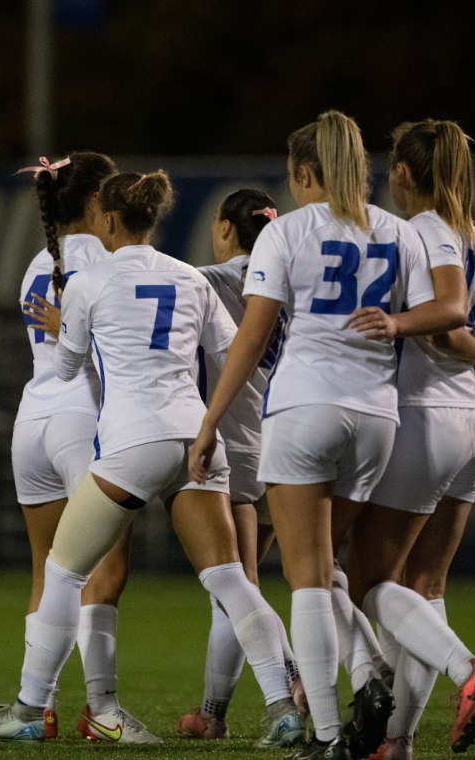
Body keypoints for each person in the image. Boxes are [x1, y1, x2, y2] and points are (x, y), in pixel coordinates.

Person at [0, 170, 300, 744]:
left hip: (131, 442)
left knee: (63, 570)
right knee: (229, 578)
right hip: (196, 438)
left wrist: (71, 324)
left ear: (111, 219)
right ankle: (283, 706)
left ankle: (29, 711)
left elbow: (69, 368)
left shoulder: (90, 282)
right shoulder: (189, 277)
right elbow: (232, 350)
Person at [187, 110, 469, 760]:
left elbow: (253, 335)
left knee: (307, 575)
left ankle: (323, 735)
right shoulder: (402, 231)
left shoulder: (287, 231)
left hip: (305, 407)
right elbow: (447, 312)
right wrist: (396, 325)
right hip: (377, 418)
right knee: (329, 567)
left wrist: (209, 423)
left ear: (306, 172)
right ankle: (368, 672)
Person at [349, 119, 475, 760]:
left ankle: (466, 668)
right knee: (424, 590)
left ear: (403, 173)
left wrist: (396, 324)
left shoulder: (422, 230)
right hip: (470, 426)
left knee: (368, 585)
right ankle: (399, 743)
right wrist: (472, 415)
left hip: (423, 417)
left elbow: (447, 322)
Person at [6, 151, 141, 735]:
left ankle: (38, 707)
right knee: (104, 569)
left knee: (48, 571)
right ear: (95, 202)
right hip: (81, 420)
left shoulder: (37, 262)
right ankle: (103, 710)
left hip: (31, 420)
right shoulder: (109, 263)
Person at [177, 188, 306, 743]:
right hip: (289, 444)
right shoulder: (297, 278)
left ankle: (298, 681)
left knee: (238, 585)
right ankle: (212, 715)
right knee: (237, 591)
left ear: (226, 227)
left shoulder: (211, 279)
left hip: (233, 447)